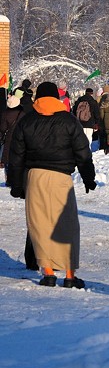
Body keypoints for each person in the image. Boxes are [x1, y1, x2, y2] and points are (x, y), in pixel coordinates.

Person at [7, 81, 96, 288]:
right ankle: (70, 275)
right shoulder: (69, 120)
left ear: (37, 98)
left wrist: (16, 184)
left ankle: (47, 272)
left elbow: (16, 156)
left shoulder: (27, 121)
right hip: (61, 178)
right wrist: (88, 177)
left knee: (40, 225)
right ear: (57, 97)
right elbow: (82, 152)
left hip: (35, 177)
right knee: (67, 224)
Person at [0, 94, 36, 270]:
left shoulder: (6, 114)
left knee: (9, 160)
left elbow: (2, 129)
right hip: (23, 145)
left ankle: (10, 179)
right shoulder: (25, 115)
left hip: (10, 144)